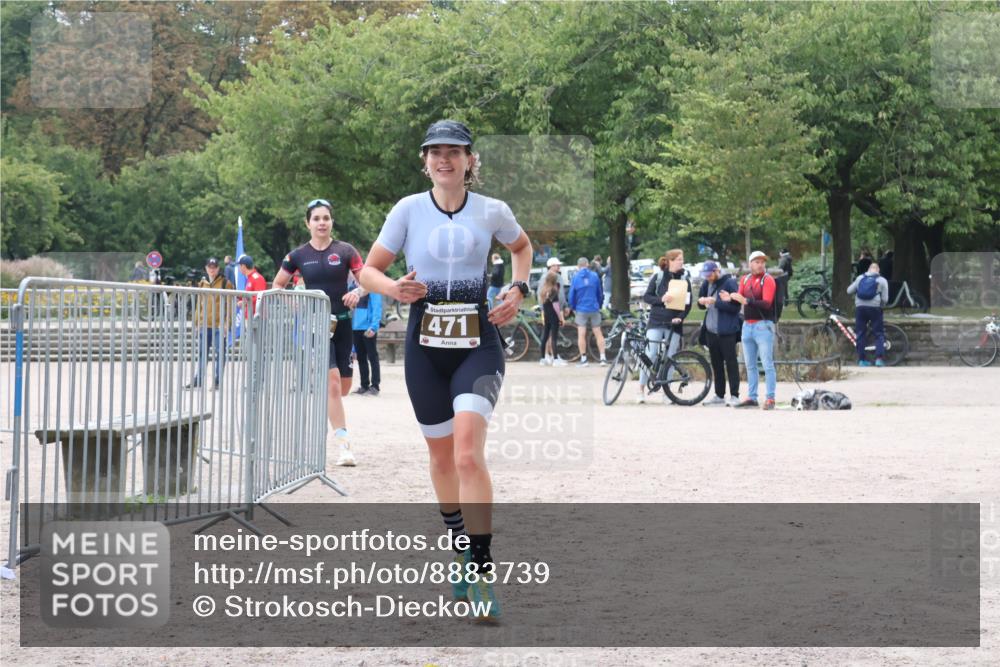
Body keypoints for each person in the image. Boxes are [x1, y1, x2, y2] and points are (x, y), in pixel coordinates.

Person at [359, 119, 532, 621]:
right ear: (425, 161)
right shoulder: (408, 210)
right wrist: (392, 289)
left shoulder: (492, 211)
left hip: (479, 343)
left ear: (470, 160)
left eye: (454, 152)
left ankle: (481, 570)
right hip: (424, 347)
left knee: (467, 455)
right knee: (440, 459)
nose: (444, 160)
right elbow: (370, 269)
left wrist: (517, 290)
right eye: (435, 152)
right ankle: (459, 545)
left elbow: (522, 249)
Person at [271, 198, 366, 467]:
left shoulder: (346, 251)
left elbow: (366, 282)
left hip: (344, 324)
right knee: (333, 383)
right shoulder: (298, 255)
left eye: (326, 218)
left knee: (343, 387)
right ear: (308, 223)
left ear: (331, 221)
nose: (321, 223)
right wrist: (295, 303)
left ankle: (331, 408)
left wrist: (357, 292)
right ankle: (344, 445)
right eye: (316, 219)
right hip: (316, 325)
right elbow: (278, 285)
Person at [636, 249, 691, 404]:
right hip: (656, 321)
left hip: (674, 324)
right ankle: (640, 389)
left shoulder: (685, 278)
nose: (682, 262)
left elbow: (688, 303)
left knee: (671, 357)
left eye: (682, 259)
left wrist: (680, 318)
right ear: (670, 261)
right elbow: (647, 296)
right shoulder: (659, 277)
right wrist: (661, 299)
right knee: (651, 354)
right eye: (679, 259)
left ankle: (667, 393)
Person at [729, 250, 778, 410]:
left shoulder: (768, 280)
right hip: (747, 325)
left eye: (762, 262)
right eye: (757, 261)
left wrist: (746, 300)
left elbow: (767, 303)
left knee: (767, 363)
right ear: (750, 264)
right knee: (750, 364)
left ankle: (770, 398)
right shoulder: (745, 279)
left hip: (763, 325)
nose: (760, 264)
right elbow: (739, 301)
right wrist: (729, 298)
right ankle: (752, 396)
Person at [696, 261, 741, 406]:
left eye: (710, 275)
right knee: (716, 364)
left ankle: (735, 395)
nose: (708, 278)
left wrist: (716, 302)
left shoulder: (730, 283)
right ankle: (719, 395)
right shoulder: (706, 284)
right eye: (705, 275)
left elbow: (735, 307)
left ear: (717, 271)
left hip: (727, 331)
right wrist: (701, 302)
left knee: (731, 363)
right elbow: (701, 304)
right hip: (711, 331)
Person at [186, 257, 234, 390]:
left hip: (218, 325)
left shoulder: (226, 283)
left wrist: (227, 323)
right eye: (209, 267)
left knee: (220, 353)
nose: (212, 269)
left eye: (214, 267)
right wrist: (196, 322)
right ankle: (198, 379)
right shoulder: (203, 283)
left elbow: (230, 305)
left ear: (218, 268)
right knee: (202, 353)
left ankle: (217, 381)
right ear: (206, 268)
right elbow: (199, 305)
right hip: (204, 324)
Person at [846, 261, 890, 367]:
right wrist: (881, 305)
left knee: (860, 333)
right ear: (878, 270)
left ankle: (862, 360)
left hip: (860, 308)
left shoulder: (860, 278)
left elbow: (848, 291)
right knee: (878, 333)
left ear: (869, 269)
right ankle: (879, 359)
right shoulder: (882, 280)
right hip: (875, 308)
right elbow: (885, 298)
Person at [568, 257, 606, 366]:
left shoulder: (575, 278)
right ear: (587, 264)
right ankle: (603, 358)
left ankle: (584, 359)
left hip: (581, 309)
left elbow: (571, 296)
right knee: (598, 333)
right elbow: (600, 293)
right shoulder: (594, 276)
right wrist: (599, 304)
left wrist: (573, 307)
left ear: (578, 266)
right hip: (594, 307)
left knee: (581, 334)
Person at [351, 288, 383, 395]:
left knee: (372, 356)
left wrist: (374, 327)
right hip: (356, 327)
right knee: (361, 358)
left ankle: (375, 386)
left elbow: (377, 306)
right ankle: (364, 385)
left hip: (368, 328)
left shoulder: (372, 287)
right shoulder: (353, 288)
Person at [538, 271, 567, 366]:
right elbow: (556, 306)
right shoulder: (553, 290)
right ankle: (555, 359)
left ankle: (543, 359)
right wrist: (560, 317)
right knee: (554, 337)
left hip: (546, 315)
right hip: (553, 316)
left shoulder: (543, 290)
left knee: (545, 336)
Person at [777, 248, 793, 317]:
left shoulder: (784, 259)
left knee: (782, 289)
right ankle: (786, 303)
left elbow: (780, 268)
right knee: (785, 289)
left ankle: (784, 303)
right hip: (787, 275)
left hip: (783, 275)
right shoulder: (788, 257)